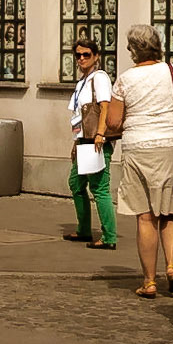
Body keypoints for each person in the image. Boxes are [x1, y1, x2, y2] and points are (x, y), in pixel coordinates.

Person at [105, 24, 173, 295]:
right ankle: (172, 265)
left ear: (133, 50)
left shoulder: (125, 80)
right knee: (170, 210)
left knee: (145, 215)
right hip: (169, 145)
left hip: (138, 145)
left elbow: (113, 121)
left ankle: (149, 280)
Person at [65, 35, 117, 250]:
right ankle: (84, 229)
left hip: (96, 140)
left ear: (96, 56)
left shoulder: (100, 78)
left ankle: (109, 236)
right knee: (76, 183)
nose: (81, 59)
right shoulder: (82, 82)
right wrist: (76, 143)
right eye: (78, 55)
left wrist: (100, 134)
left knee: (99, 188)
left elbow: (104, 106)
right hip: (84, 140)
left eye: (86, 55)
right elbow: (79, 116)